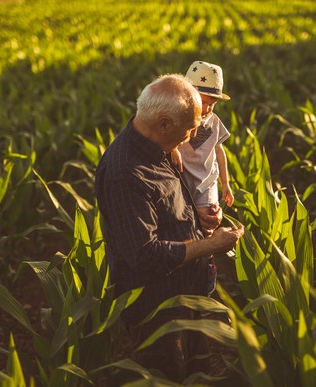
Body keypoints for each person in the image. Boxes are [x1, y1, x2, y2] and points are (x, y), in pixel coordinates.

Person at [94, 73, 244, 382]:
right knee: (169, 377)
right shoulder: (126, 173)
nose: (191, 139)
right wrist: (211, 245)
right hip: (159, 311)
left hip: (188, 292)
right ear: (163, 123)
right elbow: (144, 255)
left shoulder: (157, 144)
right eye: (189, 129)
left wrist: (198, 219)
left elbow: (168, 207)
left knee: (197, 373)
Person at [171, 61, 234, 230]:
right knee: (185, 221)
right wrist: (173, 149)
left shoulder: (214, 122)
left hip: (206, 180)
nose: (206, 109)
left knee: (208, 219)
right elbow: (166, 140)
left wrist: (225, 183)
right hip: (182, 177)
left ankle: (208, 252)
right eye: (201, 102)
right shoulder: (179, 117)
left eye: (211, 104)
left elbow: (219, 151)